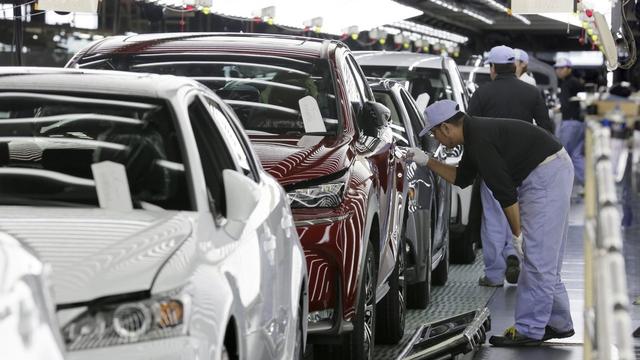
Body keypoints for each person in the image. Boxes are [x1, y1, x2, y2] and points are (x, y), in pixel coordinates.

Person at [406, 100, 575, 346]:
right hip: (550, 169)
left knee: (537, 258)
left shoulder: (480, 141)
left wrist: (517, 236)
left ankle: (530, 329)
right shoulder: (474, 135)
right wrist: (426, 161)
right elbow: (461, 178)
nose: (436, 139)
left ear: (445, 128)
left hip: (545, 176)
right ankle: (558, 323)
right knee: (544, 258)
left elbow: (506, 195)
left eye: (434, 133)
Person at [467, 45, 554, 288]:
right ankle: (516, 257)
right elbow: (546, 129)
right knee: (522, 217)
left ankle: (494, 275)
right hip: (524, 168)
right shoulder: (531, 93)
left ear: (492, 68)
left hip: (492, 166)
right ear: (515, 66)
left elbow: (469, 131)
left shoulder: (482, 94)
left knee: (494, 220)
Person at [555, 57, 585, 187]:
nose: (559, 71)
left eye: (562, 68)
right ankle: (587, 183)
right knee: (576, 155)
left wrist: (559, 108)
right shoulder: (576, 82)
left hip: (570, 123)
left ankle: (562, 185)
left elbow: (566, 104)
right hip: (579, 123)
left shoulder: (567, 83)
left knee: (563, 155)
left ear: (569, 69)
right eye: (557, 68)